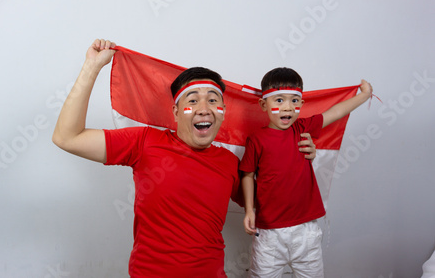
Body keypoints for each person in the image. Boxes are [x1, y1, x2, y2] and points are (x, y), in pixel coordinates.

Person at [52, 39, 318, 277]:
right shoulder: (144, 142)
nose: (204, 109)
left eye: (213, 101)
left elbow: (270, 204)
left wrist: (296, 152)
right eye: (193, 100)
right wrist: (92, 67)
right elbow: (67, 137)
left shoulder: (229, 163)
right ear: (176, 112)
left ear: (223, 111)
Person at [240, 67, 373, 277]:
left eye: (294, 101)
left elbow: (336, 112)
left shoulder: (303, 128)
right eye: (279, 100)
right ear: (264, 105)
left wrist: (364, 96)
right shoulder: (257, 140)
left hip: (306, 230)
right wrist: (249, 210)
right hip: (269, 233)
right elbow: (247, 174)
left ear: (301, 104)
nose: (287, 107)